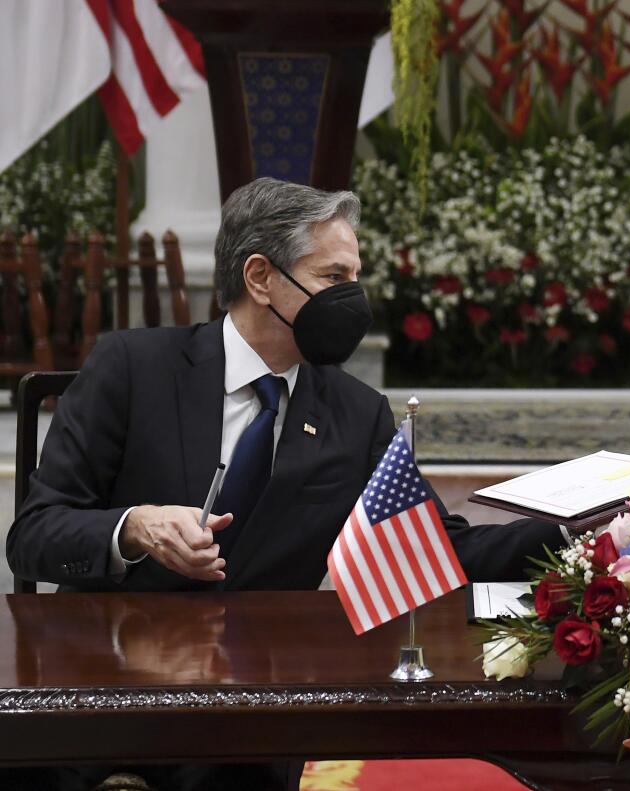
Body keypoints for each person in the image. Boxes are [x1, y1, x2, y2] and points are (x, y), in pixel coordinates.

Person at [4, 178, 567, 790]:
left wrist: (577, 533)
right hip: (104, 681)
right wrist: (134, 526)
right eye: (334, 278)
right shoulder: (132, 368)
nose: (353, 298)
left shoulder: (356, 414)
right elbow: (33, 535)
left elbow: (433, 546)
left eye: (356, 278)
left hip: (249, 713)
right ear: (260, 278)